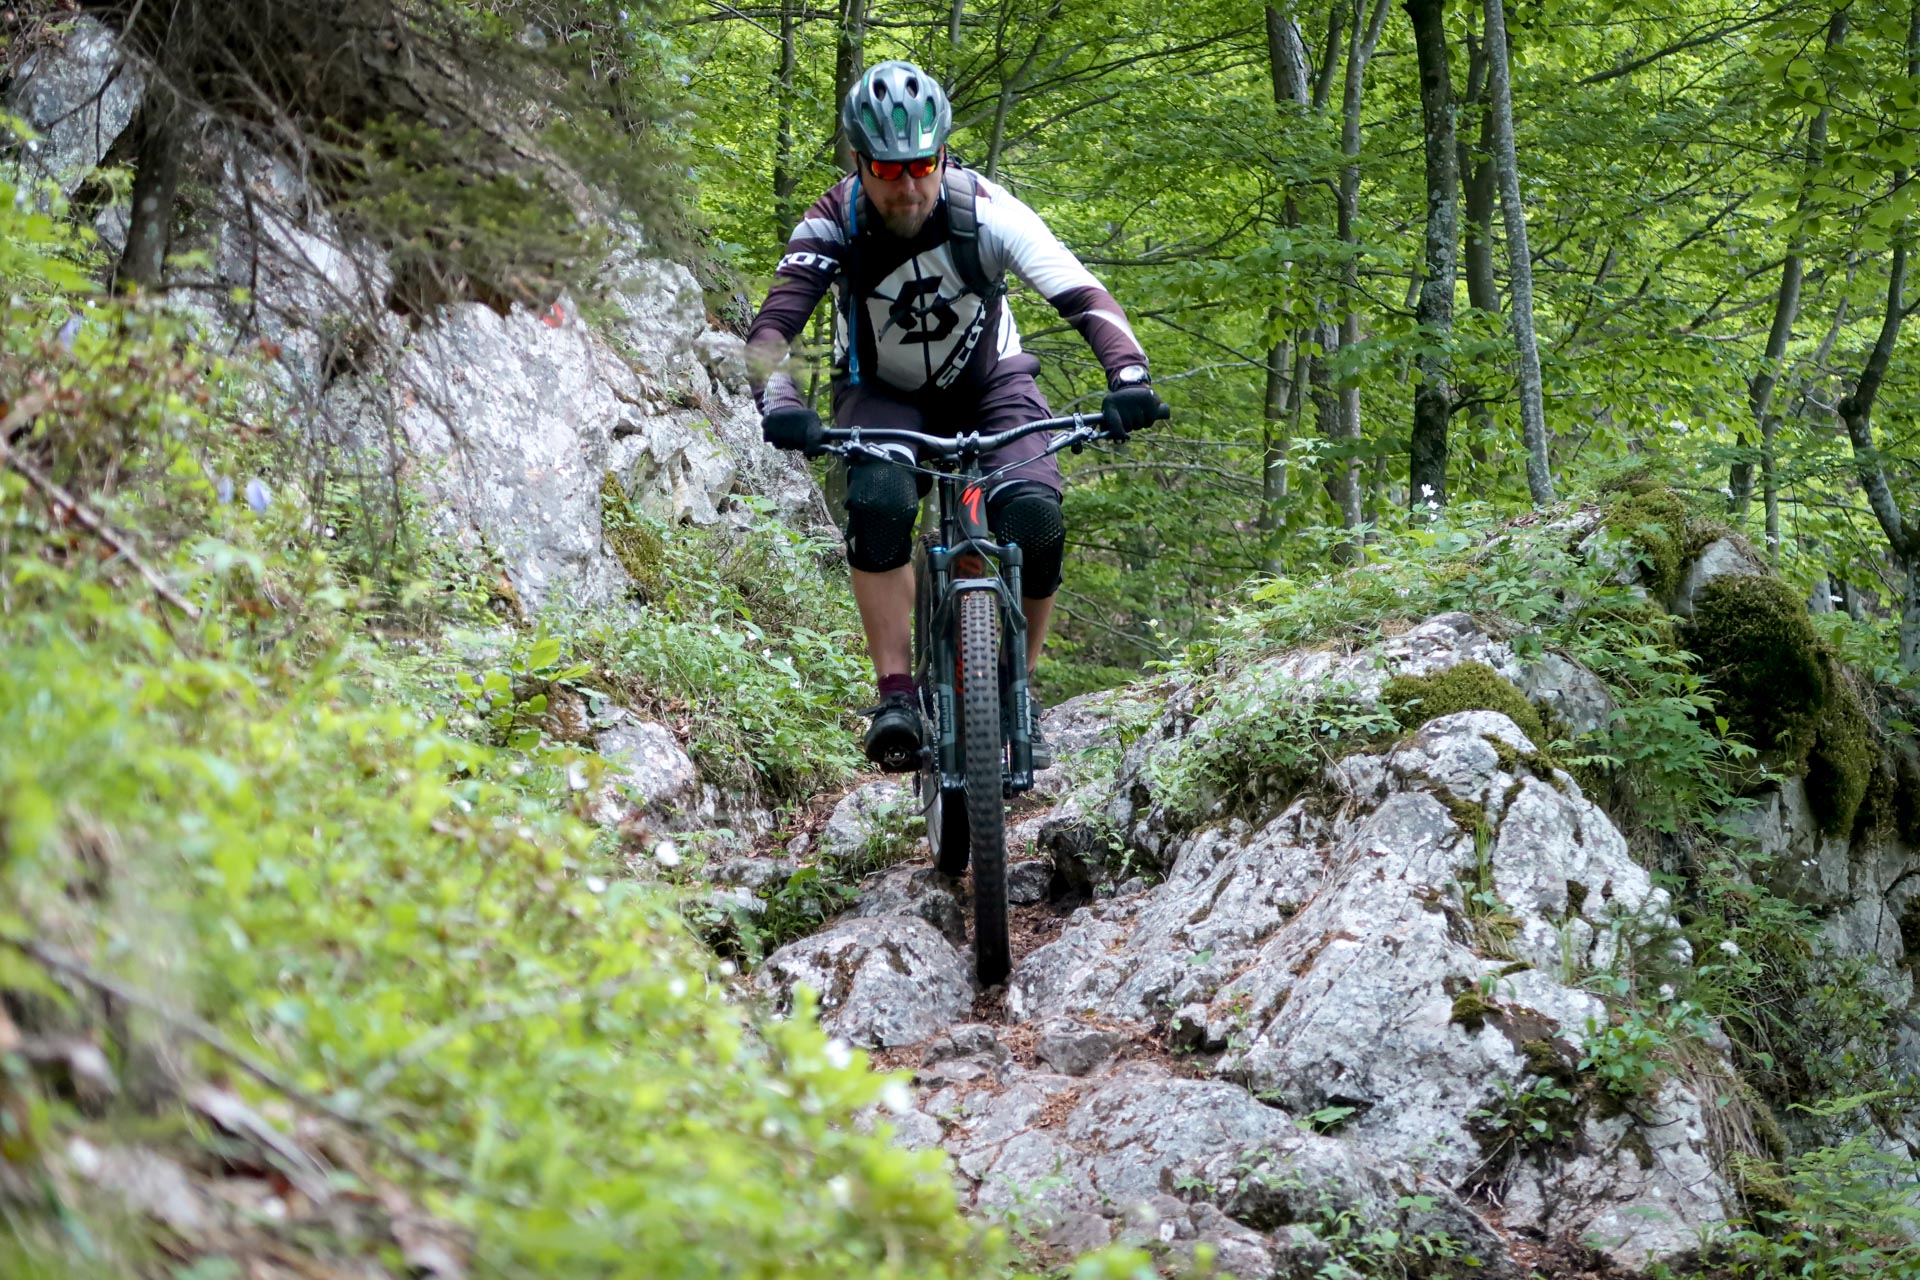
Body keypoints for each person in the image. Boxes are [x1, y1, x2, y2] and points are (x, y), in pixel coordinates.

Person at [745, 59, 1166, 773]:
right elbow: (772, 334)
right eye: (886, 168)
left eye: (922, 165)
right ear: (859, 162)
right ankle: (897, 693)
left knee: (1034, 516)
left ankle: (1015, 686)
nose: (907, 185)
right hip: (881, 389)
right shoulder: (831, 222)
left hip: (990, 381)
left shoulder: (986, 211)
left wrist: (1127, 377)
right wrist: (784, 402)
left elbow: (1083, 295)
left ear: (942, 153)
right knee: (879, 502)